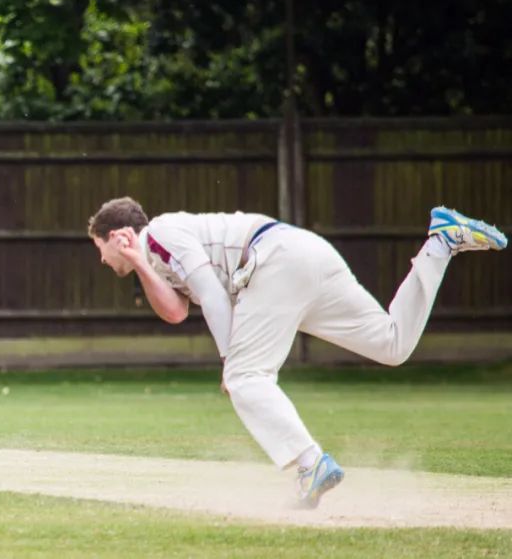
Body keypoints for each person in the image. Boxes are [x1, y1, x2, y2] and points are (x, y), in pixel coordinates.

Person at [87, 197, 506, 508]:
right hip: (304, 255)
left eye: (99, 249)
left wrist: (228, 361)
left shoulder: (161, 233)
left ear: (120, 235)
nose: (103, 262)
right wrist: (139, 265)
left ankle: (311, 464)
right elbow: (177, 311)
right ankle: (441, 243)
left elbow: (213, 295)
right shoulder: (156, 259)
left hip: (275, 260)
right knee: (391, 344)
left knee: (245, 378)